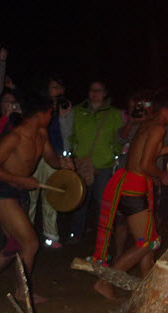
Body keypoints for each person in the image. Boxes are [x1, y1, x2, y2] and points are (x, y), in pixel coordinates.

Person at [92, 90, 168, 300]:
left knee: (148, 238)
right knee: (148, 243)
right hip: (134, 187)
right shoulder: (158, 128)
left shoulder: (149, 124)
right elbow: (145, 164)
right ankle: (104, 282)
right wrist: (163, 175)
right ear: (166, 110)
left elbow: (140, 154)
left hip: (128, 183)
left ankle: (147, 288)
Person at [0, 95, 74, 303]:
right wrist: (20, 179)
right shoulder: (15, 137)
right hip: (3, 191)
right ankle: (22, 292)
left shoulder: (41, 134)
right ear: (40, 114)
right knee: (30, 244)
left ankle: (21, 290)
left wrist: (63, 163)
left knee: (13, 246)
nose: (52, 116)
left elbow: (51, 159)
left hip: (18, 191)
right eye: (50, 112)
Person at [68, 80, 123, 243]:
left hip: (104, 165)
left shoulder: (113, 113)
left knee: (102, 203)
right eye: (92, 90)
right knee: (80, 199)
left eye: (99, 90)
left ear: (105, 93)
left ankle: (104, 236)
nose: (95, 93)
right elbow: (71, 134)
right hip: (82, 163)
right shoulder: (78, 111)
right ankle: (76, 234)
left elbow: (118, 138)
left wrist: (114, 156)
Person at [28, 75, 73, 248]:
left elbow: (67, 134)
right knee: (31, 195)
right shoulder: (40, 106)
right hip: (37, 155)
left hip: (55, 155)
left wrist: (63, 116)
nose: (56, 90)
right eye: (53, 87)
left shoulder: (66, 107)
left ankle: (51, 235)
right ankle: (26, 233)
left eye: (59, 87)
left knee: (51, 194)